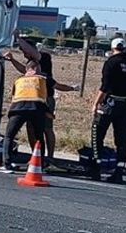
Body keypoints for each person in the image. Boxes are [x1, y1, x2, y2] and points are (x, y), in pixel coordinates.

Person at [5, 37, 78, 167]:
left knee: (46, 128)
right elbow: (26, 70)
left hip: (44, 98)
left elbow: (56, 84)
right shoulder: (31, 63)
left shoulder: (42, 57)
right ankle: (36, 156)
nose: (24, 54)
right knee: (32, 128)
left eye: (25, 51)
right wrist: (12, 60)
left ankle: (49, 158)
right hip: (33, 99)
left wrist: (17, 37)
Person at [90, 37, 126, 183]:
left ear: (112, 48)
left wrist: (96, 104)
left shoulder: (111, 63)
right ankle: (119, 171)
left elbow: (105, 86)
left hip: (111, 103)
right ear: (125, 48)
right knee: (121, 139)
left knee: (97, 133)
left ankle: (96, 168)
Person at [0, 59, 51, 172]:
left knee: (9, 136)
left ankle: (6, 165)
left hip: (18, 109)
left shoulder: (19, 80)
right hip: (36, 109)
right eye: (38, 69)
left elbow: (13, 96)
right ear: (34, 69)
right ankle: (39, 165)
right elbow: (53, 89)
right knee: (39, 137)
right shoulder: (43, 79)